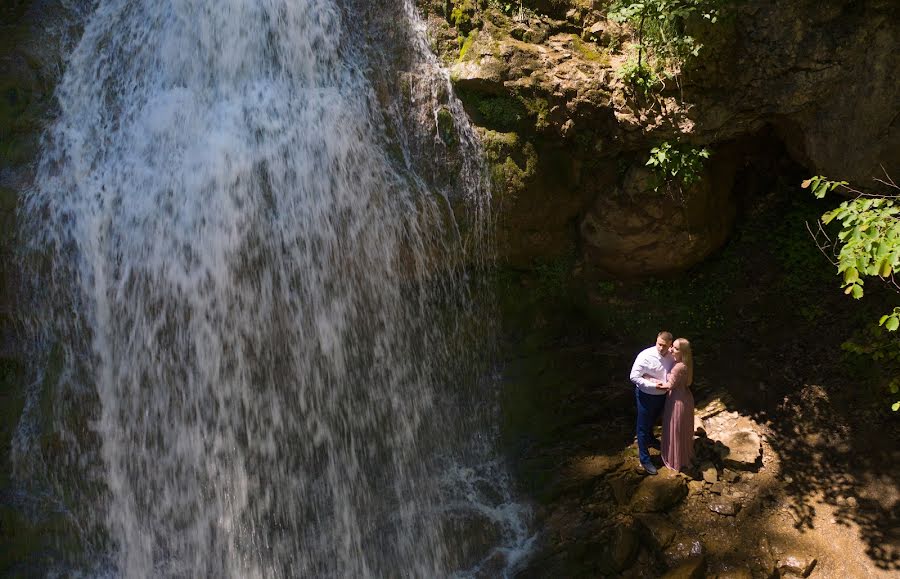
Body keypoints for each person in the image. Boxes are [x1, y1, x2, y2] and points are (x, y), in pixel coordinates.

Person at [629, 331, 674, 475]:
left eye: (665, 346)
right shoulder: (645, 356)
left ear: (670, 345)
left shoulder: (672, 355)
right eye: (659, 344)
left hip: (663, 396)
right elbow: (634, 377)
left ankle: (651, 439)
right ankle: (645, 459)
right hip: (646, 395)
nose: (661, 348)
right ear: (656, 341)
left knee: (653, 421)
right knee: (642, 427)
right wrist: (653, 385)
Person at [659, 338, 695, 472]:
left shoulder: (678, 367)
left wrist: (650, 380)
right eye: (672, 346)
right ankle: (684, 454)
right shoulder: (686, 363)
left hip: (676, 400)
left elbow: (669, 386)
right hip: (685, 397)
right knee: (682, 429)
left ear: (683, 352)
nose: (671, 349)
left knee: (675, 429)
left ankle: (676, 459)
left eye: (675, 348)